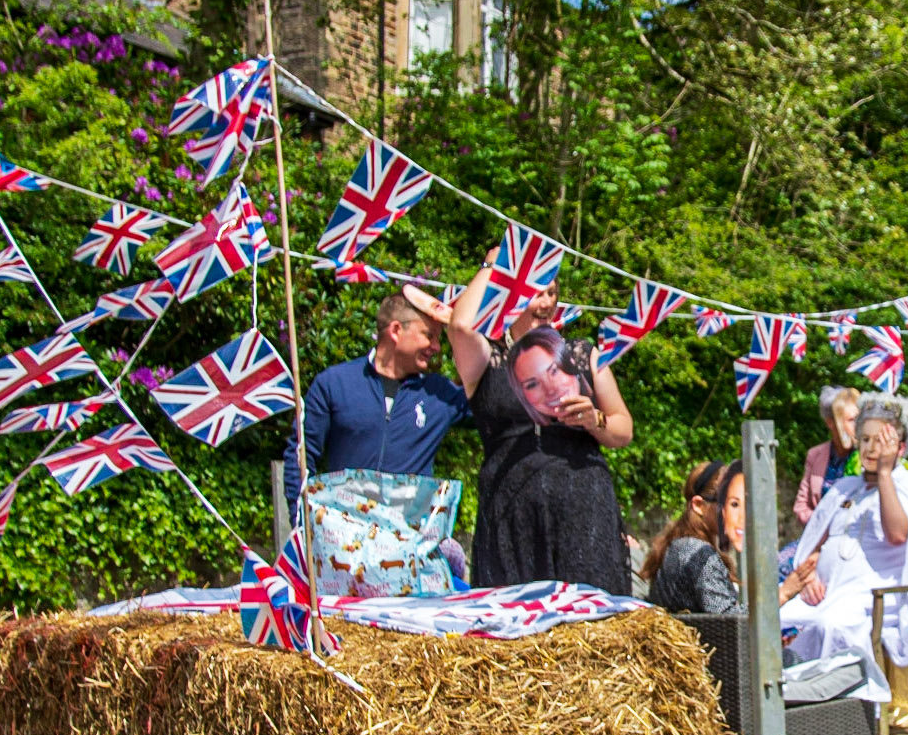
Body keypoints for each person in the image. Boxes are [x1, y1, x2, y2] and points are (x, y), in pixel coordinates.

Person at [449, 253, 633, 591]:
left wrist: (595, 420)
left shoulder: (580, 352)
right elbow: (460, 325)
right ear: (510, 296)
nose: (546, 302)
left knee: (591, 622)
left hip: (583, 503)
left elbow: (624, 428)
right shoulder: (486, 356)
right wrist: (491, 265)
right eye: (536, 292)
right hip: (511, 507)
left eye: (551, 292)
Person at [780, 396, 908, 708]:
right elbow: (813, 540)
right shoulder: (847, 487)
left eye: (879, 440)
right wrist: (808, 573)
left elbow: (898, 535)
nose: (869, 448)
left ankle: (838, 709)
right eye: (864, 439)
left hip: (881, 598)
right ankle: (781, 698)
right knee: (774, 616)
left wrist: (884, 475)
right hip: (828, 593)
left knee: (832, 625)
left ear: (900, 447)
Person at [283, 285, 469, 514]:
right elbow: (299, 456)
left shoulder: (440, 394)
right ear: (396, 330)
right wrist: (302, 524)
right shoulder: (334, 383)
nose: (437, 347)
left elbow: (498, 400)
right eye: (429, 335)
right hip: (343, 541)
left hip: (409, 544)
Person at [644, 461, 816, 613]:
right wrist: (782, 593)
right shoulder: (698, 554)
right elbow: (730, 622)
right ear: (698, 505)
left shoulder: (678, 544)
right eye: (731, 504)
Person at [793, 386, 861, 524]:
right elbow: (801, 506)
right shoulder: (815, 455)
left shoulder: (867, 456)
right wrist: (822, 523)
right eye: (851, 420)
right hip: (820, 533)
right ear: (831, 423)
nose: (858, 425)